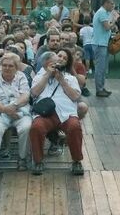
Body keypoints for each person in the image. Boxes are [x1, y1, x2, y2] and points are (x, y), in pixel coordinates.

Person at [28, 48, 87, 176]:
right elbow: (34, 93)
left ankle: (77, 161)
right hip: (46, 114)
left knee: (75, 127)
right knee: (36, 127)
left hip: (66, 113)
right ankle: (38, 161)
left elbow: (75, 97)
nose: (59, 61)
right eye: (58, 56)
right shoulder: (40, 76)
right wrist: (47, 75)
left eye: (63, 60)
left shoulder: (70, 78)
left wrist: (62, 80)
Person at [0, 53, 31, 178]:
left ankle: (22, 158)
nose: (6, 68)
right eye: (4, 65)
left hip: (20, 111)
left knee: (26, 127)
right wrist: (6, 110)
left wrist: (14, 106)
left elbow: (25, 96)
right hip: (0, 111)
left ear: (16, 67)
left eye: (10, 66)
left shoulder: (21, 76)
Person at [91, 0, 117, 97]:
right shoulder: (102, 12)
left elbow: (110, 27)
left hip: (103, 44)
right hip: (99, 44)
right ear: (106, 3)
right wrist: (114, 19)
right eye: (111, 3)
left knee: (103, 68)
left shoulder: (105, 13)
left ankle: (101, 87)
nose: (113, 5)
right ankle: (99, 89)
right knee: (100, 68)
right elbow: (107, 27)